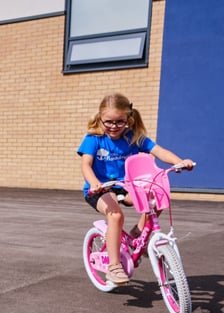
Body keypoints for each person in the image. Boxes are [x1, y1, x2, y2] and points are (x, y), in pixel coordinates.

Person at [78, 93, 194, 285]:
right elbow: (86, 164)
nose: (114, 126)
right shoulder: (94, 138)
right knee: (115, 215)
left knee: (157, 196)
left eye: (119, 121)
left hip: (126, 186)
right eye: (109, 121)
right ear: (100, 118)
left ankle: (137, 233)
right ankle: (114, 266)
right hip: (100, 189)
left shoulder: (134, 138)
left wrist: (179, 162)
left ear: (128, 119)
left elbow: (159, 151)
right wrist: (93, 183)